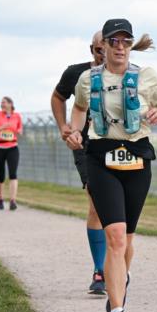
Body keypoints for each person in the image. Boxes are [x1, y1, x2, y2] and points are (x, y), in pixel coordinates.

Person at [71, 19, 157, 312]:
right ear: (101, 46)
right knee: (115, 237)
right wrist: (75, 130)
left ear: (131, 45)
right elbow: (78, 108)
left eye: (124, 42)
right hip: (101, 158)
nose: (119, 47)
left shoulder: (147, 77)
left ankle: (121, 278)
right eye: (113, 42)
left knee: (127, 240)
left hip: (136, 159)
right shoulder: (88, 80)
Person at [52, 30, 108, 295]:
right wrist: (64, 125)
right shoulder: (77, 74)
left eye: (108, 48)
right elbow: (58, 97)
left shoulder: (130, 73)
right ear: (92, 49)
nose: (104, 55)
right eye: (99, 50)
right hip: (84, 144)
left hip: (119, 145)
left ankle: (117, 262)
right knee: (96, 201)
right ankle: (100, 270)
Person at [0, 96, 23, 210]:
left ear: (10, 104)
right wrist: (1, 127)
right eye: (1, 102)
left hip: (12, 147)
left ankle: (13, 200)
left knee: (13, 173)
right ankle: (0, 198)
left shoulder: (17, 116)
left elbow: (20, 131)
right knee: (1, 175)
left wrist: (15, 130)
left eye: (4, 102)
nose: (2, 104)